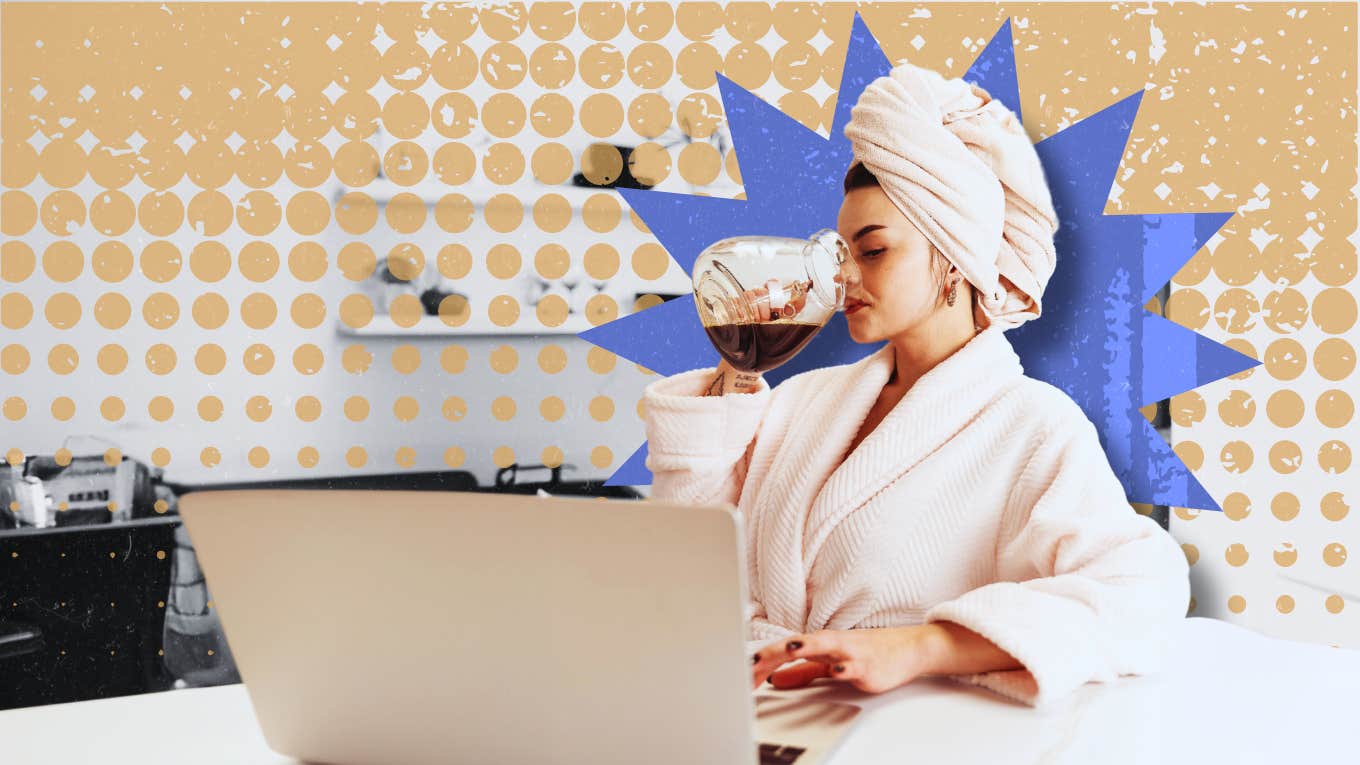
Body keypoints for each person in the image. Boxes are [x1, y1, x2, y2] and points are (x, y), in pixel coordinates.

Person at [640, 62, 1189, 708]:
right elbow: (691, 553)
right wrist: (739, 365)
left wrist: (920, 644)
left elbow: (1142, 589)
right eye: (841, 257)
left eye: (873, 251)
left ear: (954, 258)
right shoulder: (804, 401)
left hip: (902, 734)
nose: (844, 280)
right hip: (750, 717)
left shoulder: (1033, 425)